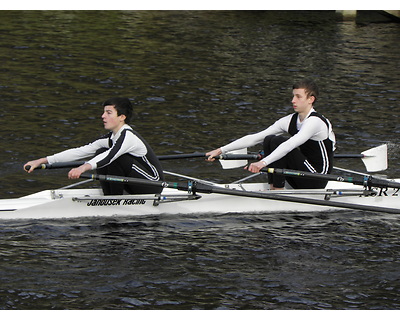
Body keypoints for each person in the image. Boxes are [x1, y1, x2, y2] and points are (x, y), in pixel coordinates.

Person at [206, 79, 336, 190]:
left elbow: (290, 144)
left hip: (317, 178)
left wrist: (262, 163)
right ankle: (273, 186)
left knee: (278, 141)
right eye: (293, 96)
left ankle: (277, 189)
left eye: (298, 96)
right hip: (300, 174)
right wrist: (220, 150)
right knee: (269, 139)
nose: (293, 100)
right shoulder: (290, 120)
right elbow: (255, 137)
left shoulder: (315, 122)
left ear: (310, 99)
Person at [24, 97, 164, 195]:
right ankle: (110, 197)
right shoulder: (111, 137)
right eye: (103, 112)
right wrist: (41, 161)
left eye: (108, 113)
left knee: (113, 156)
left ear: (122, 117)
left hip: (152, 185)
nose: (103, 116)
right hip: (135, 183)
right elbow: (80, 151)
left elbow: (109, 157)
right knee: (100, 150)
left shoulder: (128, 136)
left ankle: (114, 200)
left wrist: (83, 167)